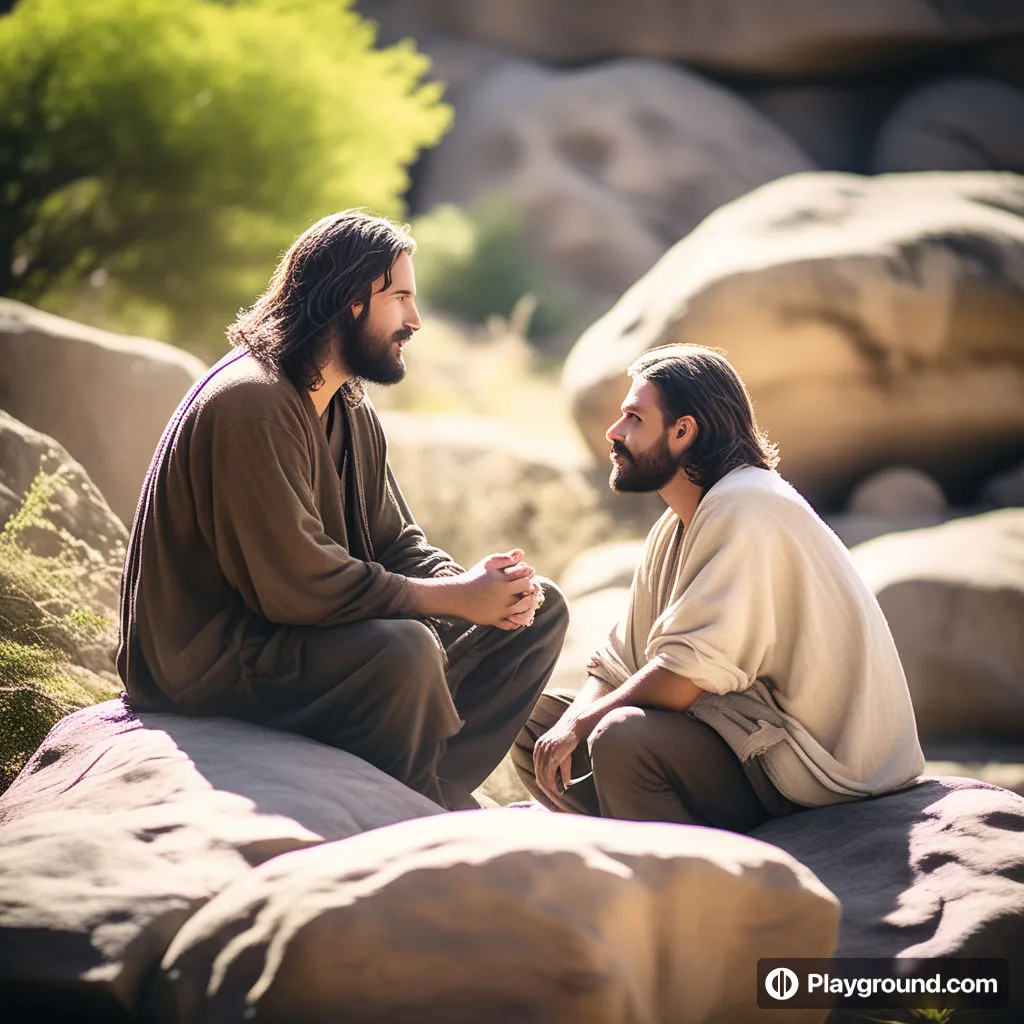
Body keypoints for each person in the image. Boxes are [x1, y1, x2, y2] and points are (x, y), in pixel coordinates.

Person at [117, 210, 568, 811]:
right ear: (353, 300)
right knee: (404, 652)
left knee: (538, 610)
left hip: (305, 641)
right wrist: (450, 600)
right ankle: (408, 802)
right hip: (212, 663)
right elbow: (297, 587)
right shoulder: (252, 404)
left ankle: (421, 791)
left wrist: (476, 588)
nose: (415, 320)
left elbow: (396, 542)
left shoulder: (347, 404)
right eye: (402, 298)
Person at [513, 344, 924, 831]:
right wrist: (566, 725)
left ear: (683, 431)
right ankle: (629, 835)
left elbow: (681, 681)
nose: (614, 433)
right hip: (737, 739)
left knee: (619, 738)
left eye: (633, 419)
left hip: (814, 771)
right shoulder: (678, 524)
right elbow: (620, 662)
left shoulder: (745, 506)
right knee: (533, 721)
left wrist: (583, 726)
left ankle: (682, 878)